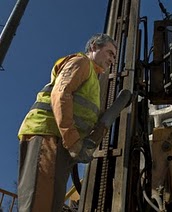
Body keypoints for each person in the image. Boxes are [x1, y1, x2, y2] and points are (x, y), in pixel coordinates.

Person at [17, 33, 130, 212]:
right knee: (41, 202)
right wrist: (73, 141)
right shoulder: (81, 62)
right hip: (49, 135)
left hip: (62, 142)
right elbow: (61, 94)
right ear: (93, 47)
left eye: (114, 56)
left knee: (52, 202)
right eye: (109, 53)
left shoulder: (94, 80)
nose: (112, 59)